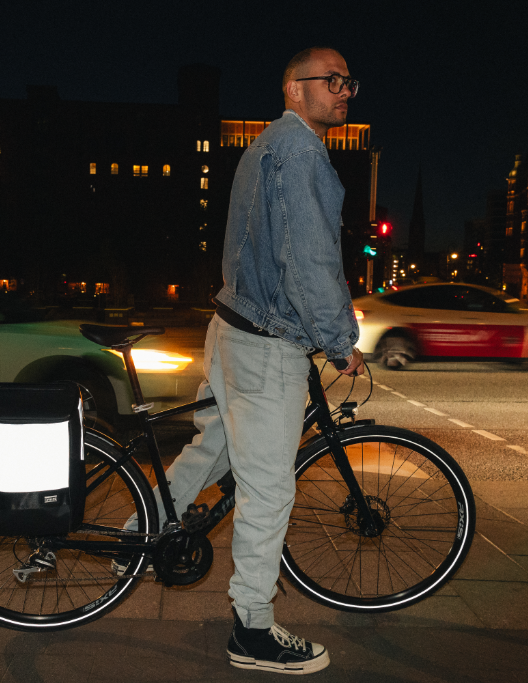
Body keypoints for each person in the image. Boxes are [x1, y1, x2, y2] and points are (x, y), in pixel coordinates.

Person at [139, 46, 364, 675]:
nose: (344, 91)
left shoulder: (263, 145)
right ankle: (252, 630)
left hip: (231, 330)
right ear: (294, 89)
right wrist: (339, 340)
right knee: (269, 489)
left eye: (350, 82)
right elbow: (310, 259)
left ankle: (137, 533)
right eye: (332, 81)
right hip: (267, 346)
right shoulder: (299, 152)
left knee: (210, 452)